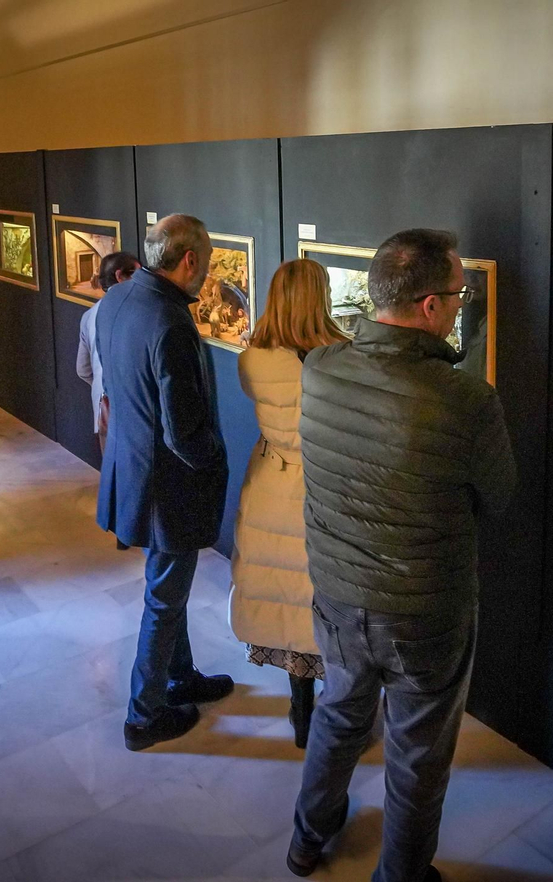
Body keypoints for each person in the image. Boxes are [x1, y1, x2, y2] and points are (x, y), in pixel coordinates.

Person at [289, 229, 516, 882]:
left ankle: (307, 840)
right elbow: (500, 496)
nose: (459, 305)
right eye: (458, 295)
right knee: (417, 757)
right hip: (423, 612)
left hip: (336, 593)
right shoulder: (466, 399)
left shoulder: (321, 367)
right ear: (429, 307)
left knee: (338, 713)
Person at [96, 214, 232, 751]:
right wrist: (216, 456)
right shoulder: (171, 322)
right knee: (164, 598)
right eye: (208, 261)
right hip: (166, 488)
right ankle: (143, 714)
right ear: (191, 260)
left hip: (133, 470)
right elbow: (182, 430)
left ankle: (182, 676)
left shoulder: (117, 299)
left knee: (166, 593)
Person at [227, 259, 349, 749]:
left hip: (273, 484)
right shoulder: (343, 357)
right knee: (326, 601)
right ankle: (337, 716)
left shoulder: (252, 359)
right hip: (328, 484)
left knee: (285, 600)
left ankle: (299, 713)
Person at [75, 251, 140, 452]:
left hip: (103, 409)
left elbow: (83, 369)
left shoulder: (89, 315)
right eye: (137, 275)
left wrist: (102, 389)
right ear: (120, 276)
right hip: (134, 413)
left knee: (111, 473)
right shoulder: (137, 312)